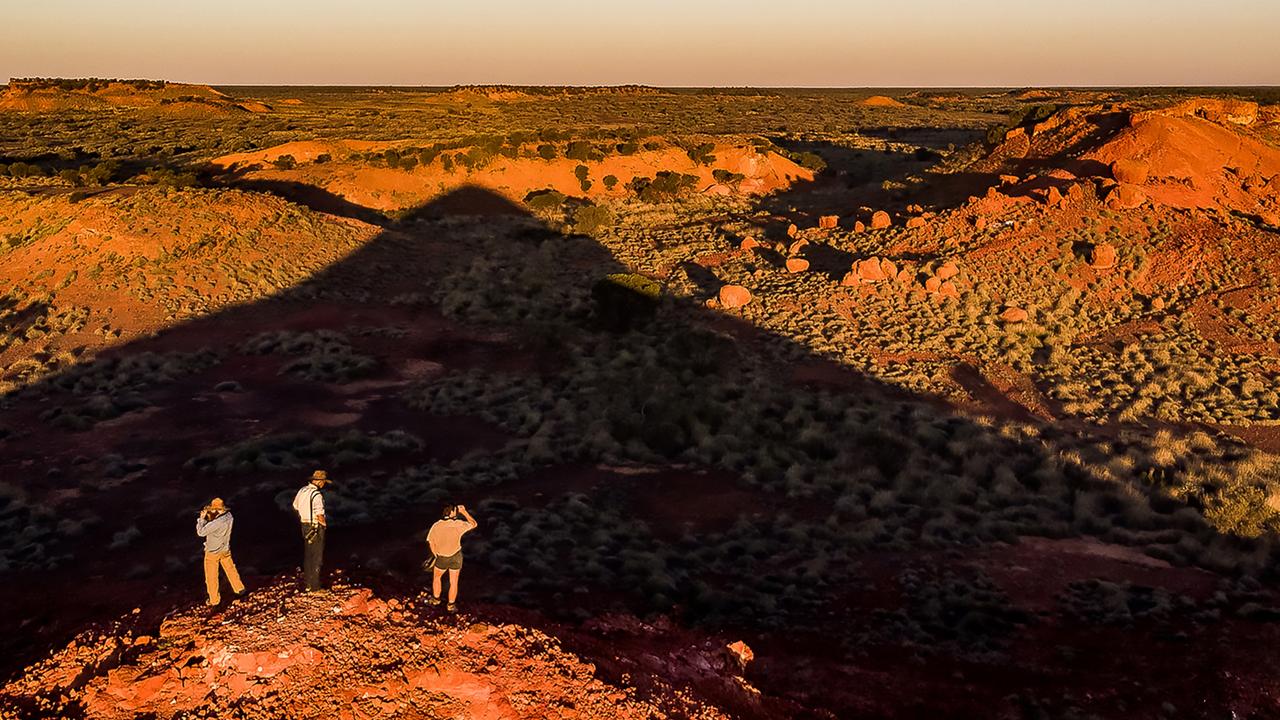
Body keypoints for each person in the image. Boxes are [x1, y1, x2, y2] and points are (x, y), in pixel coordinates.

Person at [425, 503, 478, 612]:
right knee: (453, 582)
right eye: (455, 511)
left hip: (442, 557)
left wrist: (436, 555)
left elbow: (431, 542)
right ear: (452, 512)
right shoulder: (458, 524)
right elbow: (474, 524)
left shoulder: (436, 526)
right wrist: (464, 512)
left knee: (437, 578)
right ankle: (451, 605)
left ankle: (436, 599)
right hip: (456, 556)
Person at [195, 497, 245, 606]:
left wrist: (202, 519)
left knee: (211, 577)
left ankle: (214, 600)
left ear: (218, 510)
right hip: (225, 549)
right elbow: (218, 525)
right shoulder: (229, 516)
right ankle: (240, 589)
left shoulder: (217, 522)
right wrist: (211, 516)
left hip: (213, 553)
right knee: (231, 569)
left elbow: (201, 532)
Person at [292, 470, 329, 591]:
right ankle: (315, 586)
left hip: (304, 525)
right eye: (323, 481)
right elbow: (320, 515)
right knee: (317, 556)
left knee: (308, 555)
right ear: (318, 481)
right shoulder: (317, 495)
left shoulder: (302, 490)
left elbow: (295, 506)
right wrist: (324, 525)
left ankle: (308, 583)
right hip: (315, 527)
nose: (324, 484)